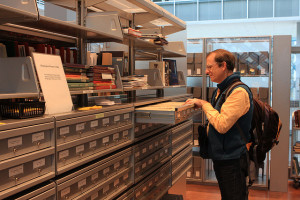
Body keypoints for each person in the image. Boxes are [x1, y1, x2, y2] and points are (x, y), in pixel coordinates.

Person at [184, 49, 253, 200]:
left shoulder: (238, 92)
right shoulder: (222, 89)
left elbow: (222, 124)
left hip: (232, 159)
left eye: (210, 67)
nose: (207, 71)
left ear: (223, 66)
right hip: (222, 156)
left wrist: (204, 104)